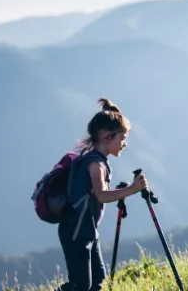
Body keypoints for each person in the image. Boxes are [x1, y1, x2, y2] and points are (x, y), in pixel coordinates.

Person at [59, 98, 149, 291]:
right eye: (122, 138)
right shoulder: (95, 163)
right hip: (76, 232)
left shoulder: (97, 160)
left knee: (97, 281)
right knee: (81, 285)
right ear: (107, 137)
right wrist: (132, 189)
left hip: (87, 230)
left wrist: (122, 191)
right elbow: (101, 195)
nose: (124, 144)